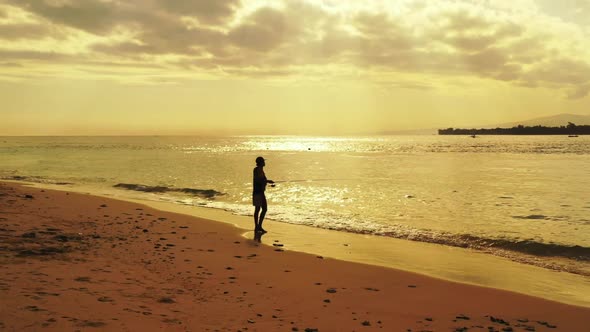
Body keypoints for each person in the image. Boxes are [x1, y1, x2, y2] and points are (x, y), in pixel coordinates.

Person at [252, 156, 274, 233]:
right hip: (257, 192)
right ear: (261, 163)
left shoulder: (261, 170)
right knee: (258, 209)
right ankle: (257, 226)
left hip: (261, 192)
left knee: (263, 209)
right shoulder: (256, 170)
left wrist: (268, 182)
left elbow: (263, 181)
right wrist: (267, 181)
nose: (264, 163)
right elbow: (258, 180)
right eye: (263, 161)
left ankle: (259, 226)